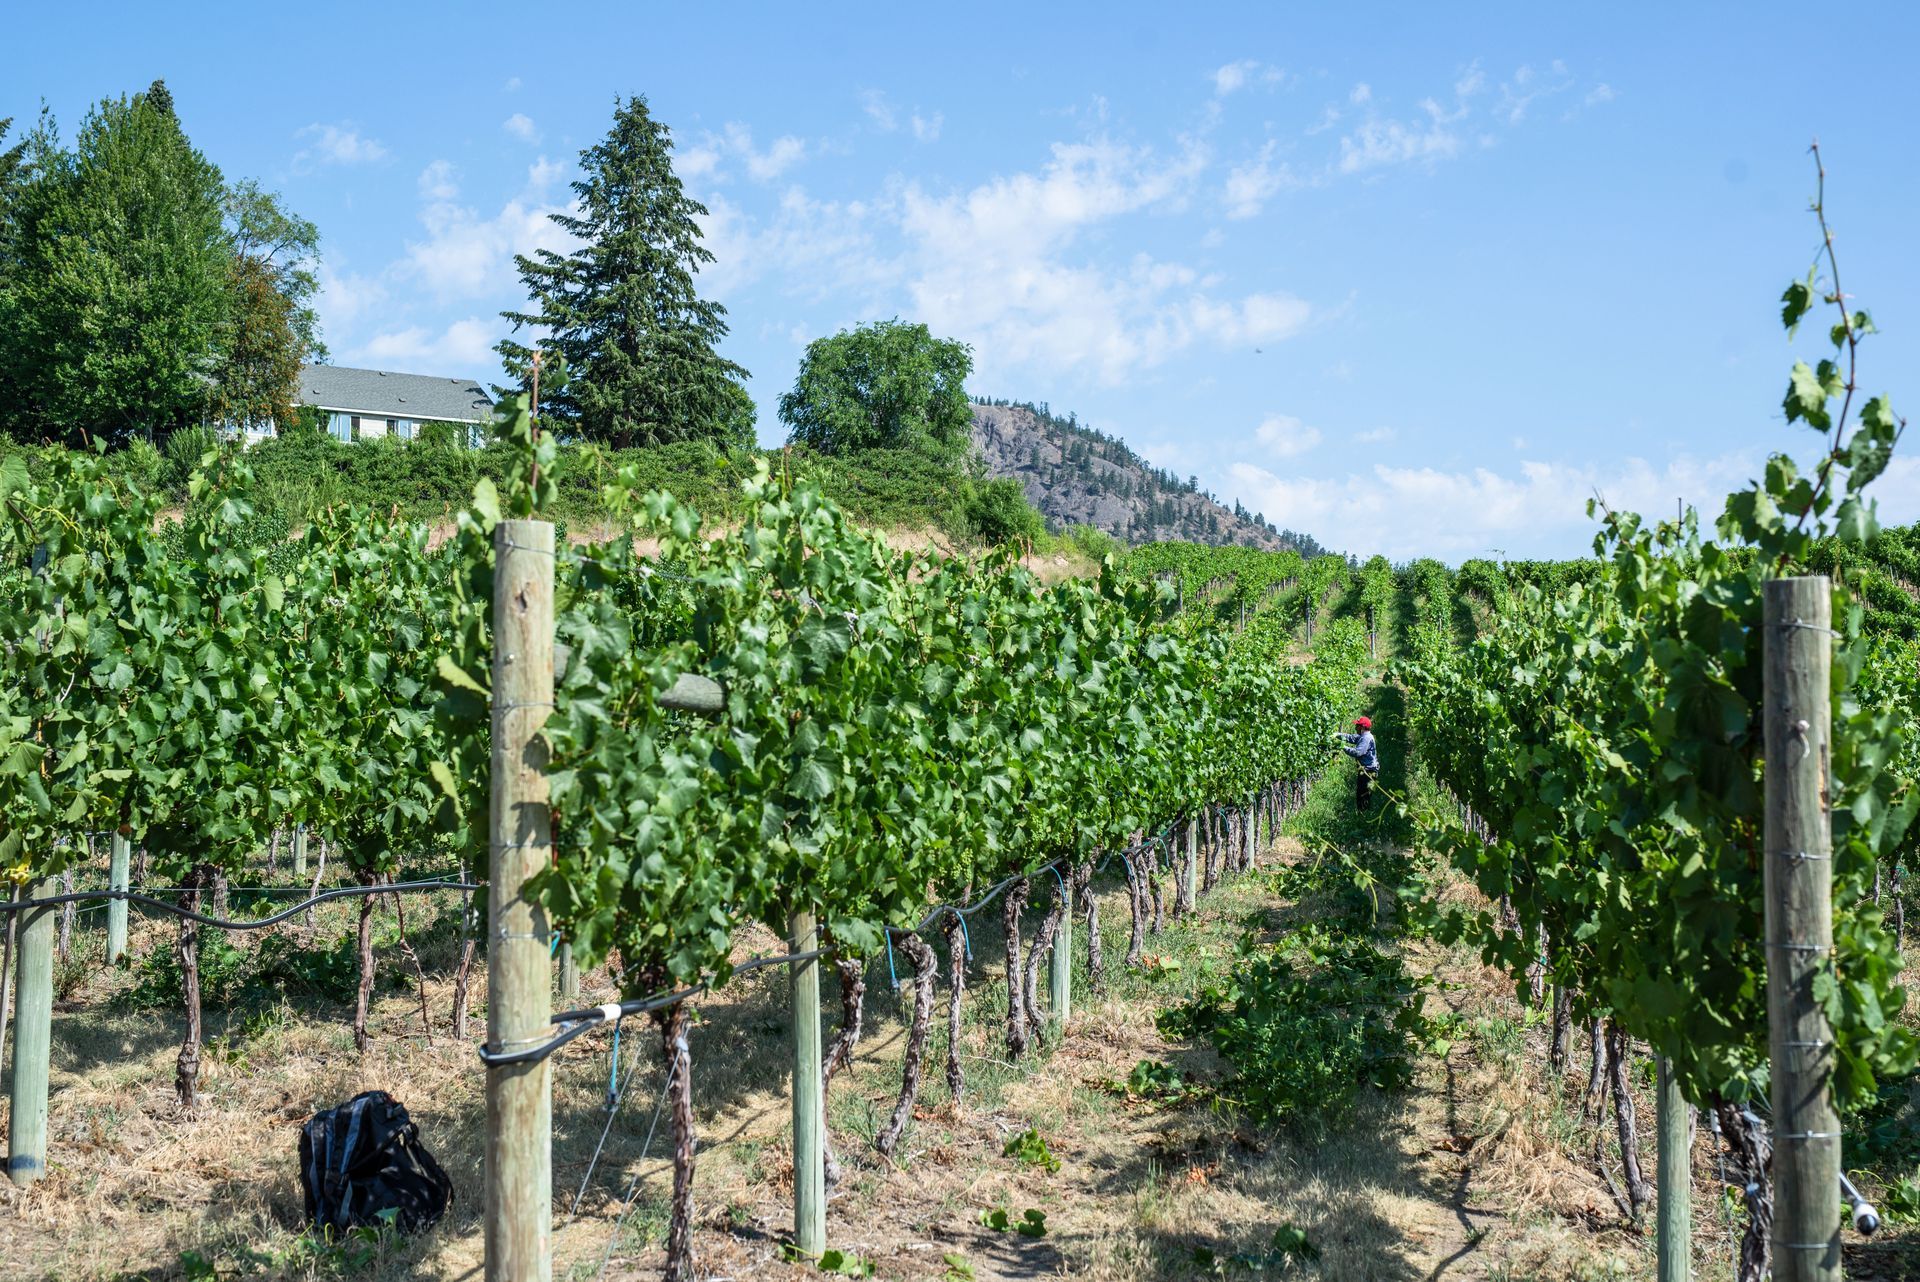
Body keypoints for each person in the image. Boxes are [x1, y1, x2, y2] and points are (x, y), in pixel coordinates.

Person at [1336, 716, 1380, 812]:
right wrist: (1336, 735)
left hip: (1368, 772)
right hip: (1366, 771)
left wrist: (1343, 747)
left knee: (1363, 796)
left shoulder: (1366, 738)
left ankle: (1363, 818)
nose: (1356, 727)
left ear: (1362, 727)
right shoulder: (1363, 736)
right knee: (1362, 794)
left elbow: (1357, 752)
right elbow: (1350, 737)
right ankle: (1363, 816)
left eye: (1357, 725)